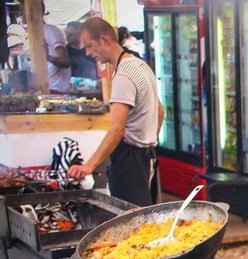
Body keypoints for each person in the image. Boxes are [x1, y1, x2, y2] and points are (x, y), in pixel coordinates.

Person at [67, 18, 163, 206]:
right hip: (147, 156)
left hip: (130, 160)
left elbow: (117, 130)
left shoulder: (123, 75)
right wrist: (148, 141)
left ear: (105, 39)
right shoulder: (140, 65)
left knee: (130, 223)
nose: (87, 53)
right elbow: (160, 111)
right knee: (145, 219)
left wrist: (89, 166)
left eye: (89, 46)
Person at [40, 2, 70, 94]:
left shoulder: (50, 30)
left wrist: (47, 57)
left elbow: (65, 61)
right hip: (43, 91)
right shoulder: (34, 33)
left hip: (55, 92)